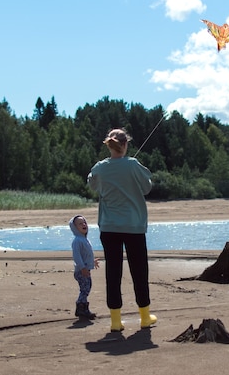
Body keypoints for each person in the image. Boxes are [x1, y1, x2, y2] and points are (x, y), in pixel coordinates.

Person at [87, 128, 157, 332]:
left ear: (110, 145)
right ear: (125, 144)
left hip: (109, 228)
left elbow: (92, 184)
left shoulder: (100, 167)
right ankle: (145, 317)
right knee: (139, 271)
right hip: (134, 226)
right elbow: (147, 187)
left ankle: (116, 321)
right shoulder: (133, 165)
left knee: (113, 272)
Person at [70, 214, 99, 320]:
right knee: (85, 289)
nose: (83, 225)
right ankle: (81, 308)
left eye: (84, 222)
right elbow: (77, 256)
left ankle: (82, 308)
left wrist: (92, 262)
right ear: (75, 228)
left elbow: (85, 255)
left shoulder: (84, 239)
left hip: (85, 269)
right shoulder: (77, 240)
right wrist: (82, 268)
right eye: (80, 224)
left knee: (87, 287)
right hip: (81, 271)